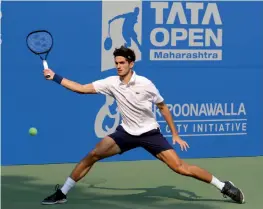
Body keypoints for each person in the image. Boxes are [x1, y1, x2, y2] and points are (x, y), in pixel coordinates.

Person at [41, 46, 245, 205]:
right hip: (126, 132)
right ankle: (62, 193)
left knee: (180, 168)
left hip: (149, 133)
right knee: (93, 155)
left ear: (131, 64)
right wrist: (55, 77)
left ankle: (223, 185)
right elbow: (83, 89)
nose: (118, 66)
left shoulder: (146, 84)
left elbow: (163, 107)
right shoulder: (112, 82)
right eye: (116, 63)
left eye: (122, 62)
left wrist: (175, 134)